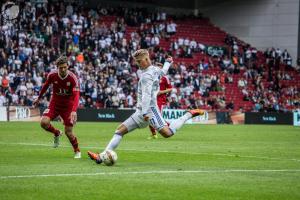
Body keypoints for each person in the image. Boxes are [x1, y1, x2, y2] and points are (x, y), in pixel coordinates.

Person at [87, 49, 204, 164]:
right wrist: (168, 62)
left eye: (139, 61)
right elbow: (163, 72)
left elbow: (147, 95)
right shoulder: (155, 69)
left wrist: (145, 113)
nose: (138, 64)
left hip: (150, 110)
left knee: (167, 133)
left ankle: (189, 114)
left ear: (146, 59)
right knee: (119, 131)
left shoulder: (146, 76)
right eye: (137, 62)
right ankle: (101, 157)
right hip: (140, 112)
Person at [33, 56, 81, 159]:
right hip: (54, 104)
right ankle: (57, 133)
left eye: (64, 67)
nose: (63, 70)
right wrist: (39, 98)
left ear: (68, 66)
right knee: (43, 122)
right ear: (57, 67)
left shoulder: (73, 78)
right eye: (60, 68)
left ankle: (77, 151)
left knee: (68, 132)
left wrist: (74, 111)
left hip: (68, 106)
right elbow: (45, 86)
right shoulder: (52, 75)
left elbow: (76, 95)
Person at [148, 74, 172, 139]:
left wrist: (161, 92)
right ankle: (154, 134)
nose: (158, 66)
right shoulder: (151, 76)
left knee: (158, 118)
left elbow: (170, 89)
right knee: (149, 117)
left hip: (160, 100)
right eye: (157, 65)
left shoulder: (165, 78)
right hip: (150, 100)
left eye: (160, 65)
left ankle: (171, 126)